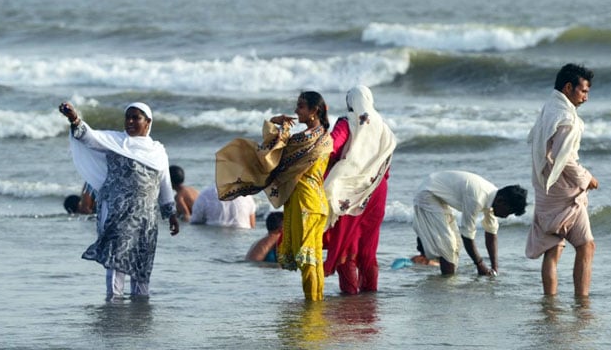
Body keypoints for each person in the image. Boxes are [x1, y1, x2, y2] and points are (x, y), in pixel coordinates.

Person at [216, 91, 333, 301]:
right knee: (314, 259)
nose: (297, 111)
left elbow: (275, 155)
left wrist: (275, 124)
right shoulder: (325, 137)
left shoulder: (306, 139)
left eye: (301, 106)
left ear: (314, 111)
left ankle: (311, 307)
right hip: (318, 203)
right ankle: (316, 306)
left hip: (304, 202)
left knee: (307, 262)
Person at [58, 101, 179, 301]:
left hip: (146, 219)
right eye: (127, 117)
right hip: (118, 214)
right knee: (117, 261)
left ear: (148, 122)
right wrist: (74, 118)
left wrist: (171, 214)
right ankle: (113, 306)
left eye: (136, 117)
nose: (130, 121)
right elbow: (90, 138)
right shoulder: (115, 143)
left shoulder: (158, 151)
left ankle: (140, 309)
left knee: (142, 264)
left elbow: (165, 183)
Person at [525, 63, 599, 297]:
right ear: (569, 87)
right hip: (563, 191)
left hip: (544, 186)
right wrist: (587, 178)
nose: (586, 98)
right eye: (584, 91)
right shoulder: (566, 116)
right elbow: (563, 158)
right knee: (586, 246)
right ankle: (582, 302)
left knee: (553, 248)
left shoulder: (550, 107)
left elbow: (536, 141)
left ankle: (550, 303)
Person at [322, 85, 396, 294]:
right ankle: (370, 292)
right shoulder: (384, 128)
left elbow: (332, 146)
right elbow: (385, 166)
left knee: (346, 244)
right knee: (368, 246)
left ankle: (350, 294)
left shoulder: (349, 122)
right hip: (377, 191)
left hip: (351, 191)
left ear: (350, 103)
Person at [412, 170, 527, 276]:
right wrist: (480, 264)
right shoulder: (477, 198)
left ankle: (447, 282)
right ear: (501, 201)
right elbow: (467, 236)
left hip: (438, 195)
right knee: (448, 247)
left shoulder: (494, 198)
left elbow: (491, 234)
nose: (506, 216)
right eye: (508, 211)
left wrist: (494, 268)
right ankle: (445, 289)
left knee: (456, 245)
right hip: (428, 193)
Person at [190, 185, 257, 228]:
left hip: (213, 236)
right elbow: (252, 226)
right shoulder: (247, 196)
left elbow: (195, 221)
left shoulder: (205, 195)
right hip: (242, 238)